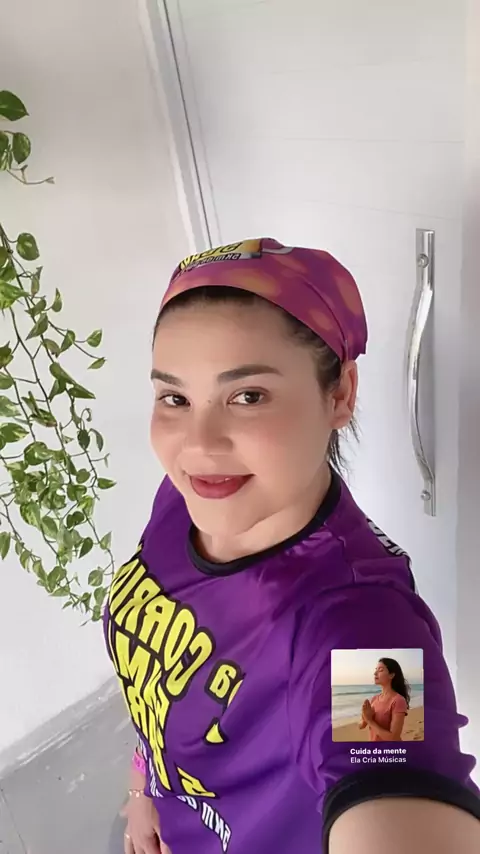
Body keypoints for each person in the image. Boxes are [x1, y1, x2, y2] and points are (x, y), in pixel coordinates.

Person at [104, 238, 480, 854]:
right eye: (175, 398)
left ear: (340, 395)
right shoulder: (187, 496)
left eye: (248, 396)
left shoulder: (358, 619)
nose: (198, 443)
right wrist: (145, 785)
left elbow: (395, 784)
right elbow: (159, 681)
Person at [359, 658, 409, 742]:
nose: (375, 673)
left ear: (391, 675)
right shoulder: (374, 699)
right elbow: (361, 726)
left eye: (380, 670)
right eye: (376, 670)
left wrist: (370, 721)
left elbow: (393, 738)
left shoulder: (398, 700)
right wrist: (365, 716)